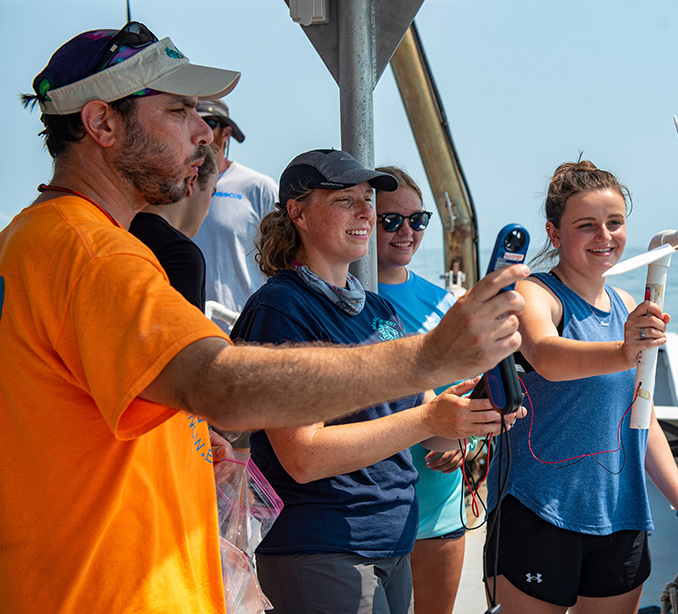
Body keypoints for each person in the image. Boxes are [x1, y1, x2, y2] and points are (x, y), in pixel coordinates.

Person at [1, 23, 526, 614]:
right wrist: (428, 358)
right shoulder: (94, 255)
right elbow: (219, 385)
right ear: (101, 123)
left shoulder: (39, 241)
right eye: (178, 111)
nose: (205, 132)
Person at [231, 150, 523, 614]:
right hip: (322, 546)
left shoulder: (377, 309)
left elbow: (424, 426)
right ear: (298, 213)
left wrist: (467, 417)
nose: (365, 212)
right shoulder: (281, 308)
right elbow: (303, 456)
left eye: (367, 199)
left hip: (392, 542)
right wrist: (428, 418)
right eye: (345, 201)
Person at [484, 161, 678, 613]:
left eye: (615, 223)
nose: (604, 236)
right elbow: (546, 354)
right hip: (538, 510)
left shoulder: (625, 303)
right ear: (554, 233)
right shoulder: (535, 294)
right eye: (586, 225)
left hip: (621, 515)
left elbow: (641, 418)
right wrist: (624, 352)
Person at [375, 166, 468, 614]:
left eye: (418, 219)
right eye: (391, 220)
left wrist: (464, 442)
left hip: (440, 498)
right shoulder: (342, 299)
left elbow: (466, 391)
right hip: (372, 502)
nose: (407, 231)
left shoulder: (446, 302)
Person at [193, 98, 278, 325]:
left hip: (244, 327)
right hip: (188, 327)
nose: (201, 131)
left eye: (209, 123)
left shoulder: (259, 187)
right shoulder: (174, 187)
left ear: (226, 133)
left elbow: (283, 260)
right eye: (192, 121)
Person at [130, 146, 219, 310]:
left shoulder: (115, 226)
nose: (207, 212)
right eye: (211, 193)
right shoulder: (179, 253)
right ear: (191, 181)